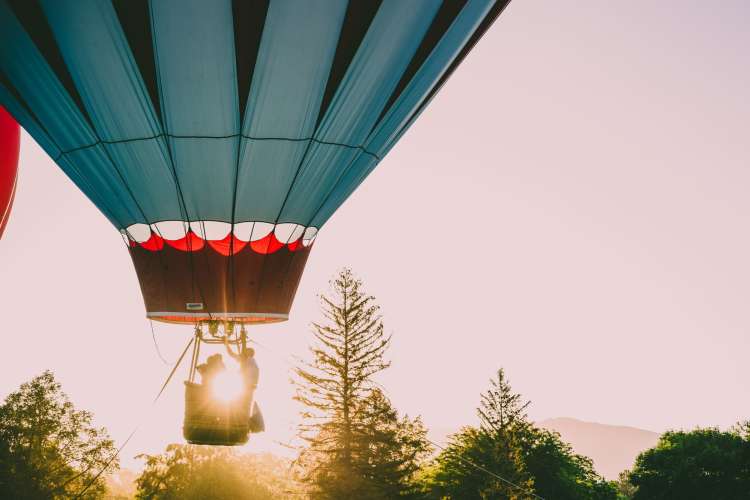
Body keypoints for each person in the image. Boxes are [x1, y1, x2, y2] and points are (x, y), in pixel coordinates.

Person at [225, 337, 264, 433]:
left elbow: (232, 355)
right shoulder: (250, 362)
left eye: (245, 352)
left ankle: (234, 422)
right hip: (247, 387)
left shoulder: (248, 361)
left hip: (245, 387)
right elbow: (232, 355)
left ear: (249, 353)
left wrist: (226, 343)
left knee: (234, 403)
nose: (242, 354)